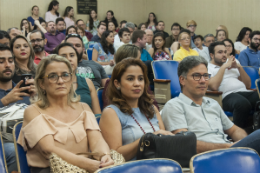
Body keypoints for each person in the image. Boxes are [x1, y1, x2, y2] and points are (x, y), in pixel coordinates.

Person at [17, 54, 115, 173]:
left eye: (65, 75)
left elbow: (97, 141)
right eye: (53, 76)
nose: (60, 81)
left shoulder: (83, 107)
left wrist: (104, 156)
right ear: (42, 83)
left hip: (88, 167)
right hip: (51, 170)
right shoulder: (32, 111)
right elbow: (49, 150)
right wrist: (87, 164)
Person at [161, 55, 260, 154]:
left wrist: (247, 143)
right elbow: (184, 143)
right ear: (182, 80)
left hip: (229, 152)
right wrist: (228, 147)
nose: (203, 81)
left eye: (205, 76)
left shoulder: (212, 103)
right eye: (196, 76)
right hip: (208, 157)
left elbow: (234, 130)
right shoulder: (174, 106)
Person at [100, 58, 172, 161]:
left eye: (140, 79)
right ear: (117, 83)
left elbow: (164, 143)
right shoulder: (111, 112)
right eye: (130, 79)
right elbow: (114, 155)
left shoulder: (152, 108)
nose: (137, 83)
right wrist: (147, 139)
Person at [208, 42, 257, 128]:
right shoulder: (208, 67)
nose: (224, 55)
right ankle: (237, 136)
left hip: (243, 92)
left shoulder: (233, 63)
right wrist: (224, 67)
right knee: (242, 104)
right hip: (226, 96)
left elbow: (248, 84)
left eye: (225, 52)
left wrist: (239, 67)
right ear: (212, 55)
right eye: (220, 52)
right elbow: (213, 86)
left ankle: (256, 131)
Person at [54, 43, 101, 115]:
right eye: (63, 56)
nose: (69, 59)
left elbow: (97, 115)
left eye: (72, 55)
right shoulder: (51, 83)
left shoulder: (88, 82)